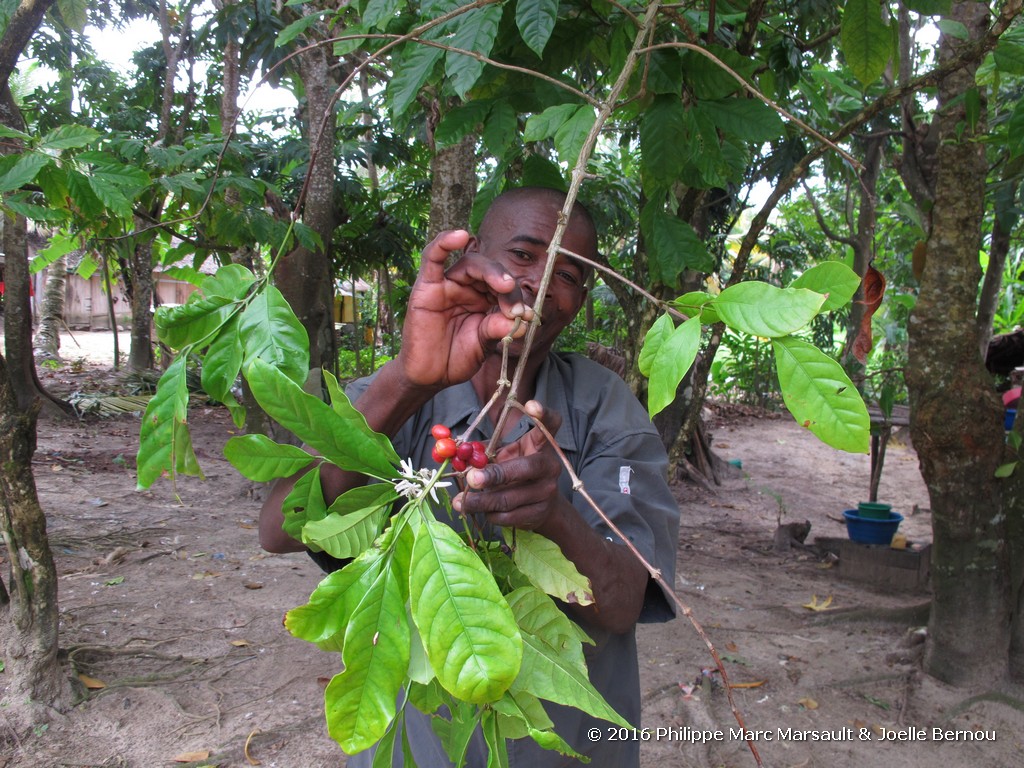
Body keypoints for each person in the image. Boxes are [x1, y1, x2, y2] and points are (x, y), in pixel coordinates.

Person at [259, 186, 680, 767]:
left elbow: (622, 602)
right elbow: (280, 527)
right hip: (424, 742)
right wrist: (409, 380)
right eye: (526, 255)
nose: (539, 282)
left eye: (568, 273)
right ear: (475, 257)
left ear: (580, 299)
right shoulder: (397, 394)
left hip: (568, 747)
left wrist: (552, 514)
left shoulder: (607, 411)